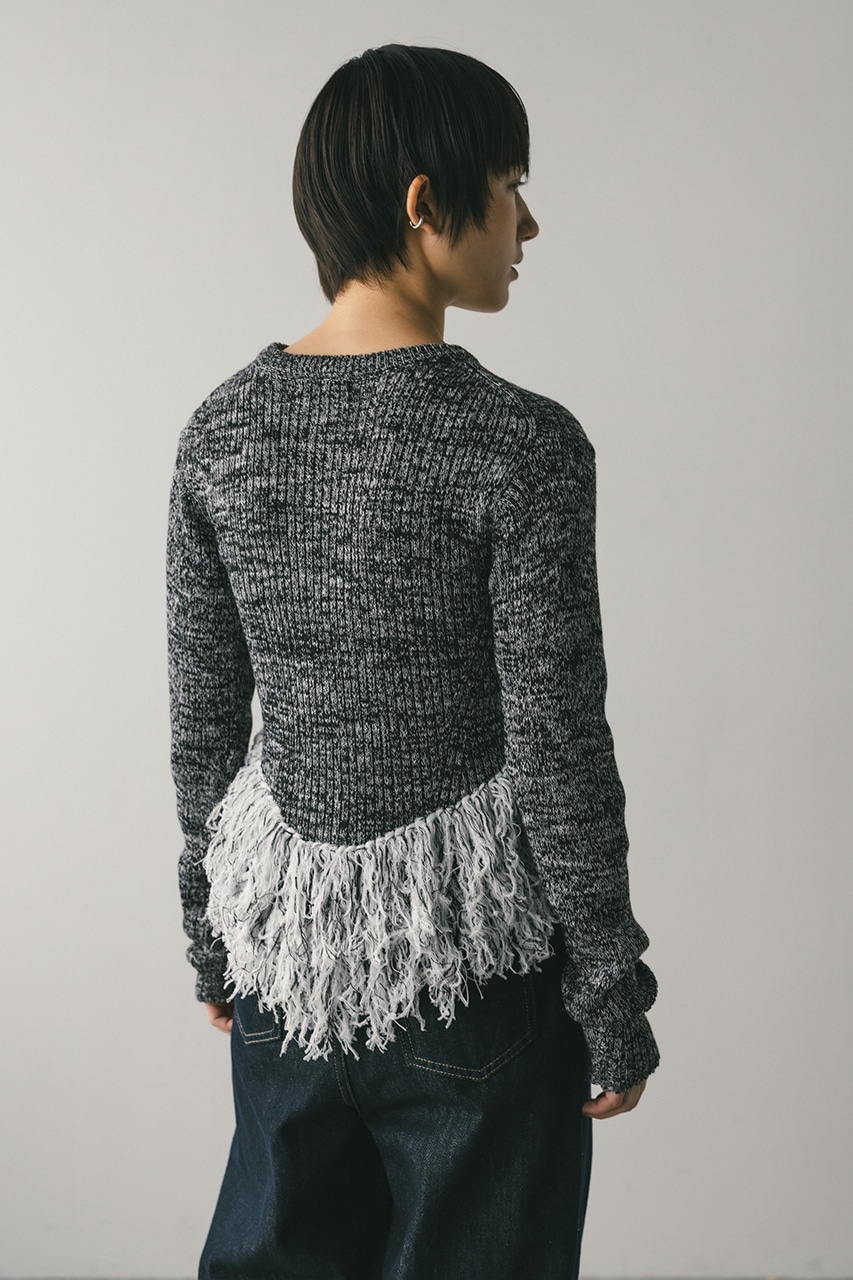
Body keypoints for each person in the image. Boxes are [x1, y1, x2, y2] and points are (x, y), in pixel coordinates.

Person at [166, 42, 660, 1280]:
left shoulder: (220, 431)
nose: (528, 222)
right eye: (511, 185)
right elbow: (556, 739)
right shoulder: (519, 443)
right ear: (425, 203)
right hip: (473, 973)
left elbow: (204, 724)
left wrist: (211, 932)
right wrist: (609, 986)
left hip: (286, 970)